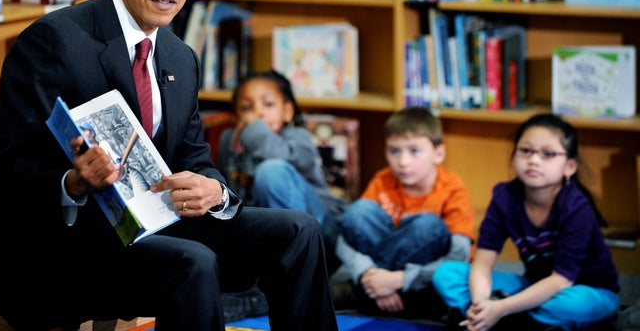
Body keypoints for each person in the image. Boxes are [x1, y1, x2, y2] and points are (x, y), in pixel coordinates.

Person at [0, 0, 338, 331]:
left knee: (298, 231)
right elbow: (7, 170)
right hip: (60, 251)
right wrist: (74, 181)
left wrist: (213, 190)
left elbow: (194, 156)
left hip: (154, 228)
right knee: (193, 261)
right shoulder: (53, 41)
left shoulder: (180, 57)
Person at [432, 113, 620, 331]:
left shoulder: (577, 207)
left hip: (584, 290)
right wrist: (479, 302)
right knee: (447, 275)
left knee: (573, 305)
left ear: (569, 166)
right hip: (533, 285)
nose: (534, 160)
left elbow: (561, 280)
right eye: (526, 151)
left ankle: (503, 316)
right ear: (514, 156)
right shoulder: (504, 197)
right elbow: (482, 264)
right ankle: (495, 317)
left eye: (548, 154)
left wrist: (501, 307)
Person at [215, 69, 348, 320]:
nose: (258, 113)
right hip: (268, 243)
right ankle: (254, 288)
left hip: (321, 235)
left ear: (287, 111)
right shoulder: (229, 141)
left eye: (268, 104)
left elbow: (277, 157)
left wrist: (254, 130)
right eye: (246, 107)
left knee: (271, 171)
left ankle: (272, 289)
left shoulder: (297, 137)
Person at [333, 106, 475, 319]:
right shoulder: (384, 179)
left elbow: (459, 257)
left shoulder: (453, 188)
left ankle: (365, 295)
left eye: (414, 151)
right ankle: (380, 293)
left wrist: (399, 279)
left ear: (438, 154)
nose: (403, 162)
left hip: (424, 275)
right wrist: (367, 273)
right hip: (379, 274)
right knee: (357, 212)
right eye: (394, 151)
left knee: (427, 226)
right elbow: (344, 237)